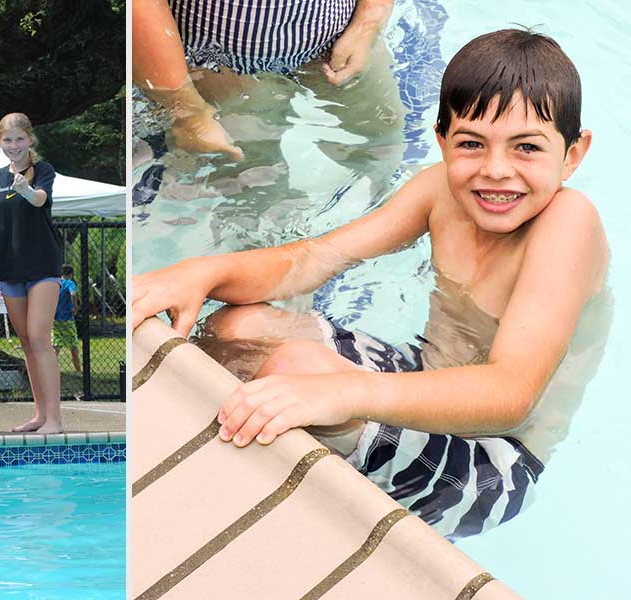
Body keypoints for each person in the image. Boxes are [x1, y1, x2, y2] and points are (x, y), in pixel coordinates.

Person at [130, 29, 606, 540]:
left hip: (494, 462)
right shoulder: (439, 191)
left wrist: (342, 394)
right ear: (442, 140)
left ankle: (285, 514)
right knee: (238, 326)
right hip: (421, 378)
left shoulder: (567, 223)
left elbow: (511, 394)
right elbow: (314, 258)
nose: (495, 171)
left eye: (527, 148)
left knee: (300, 371)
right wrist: (202, 273)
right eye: (471, 143)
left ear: (573, 154)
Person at [132, 0, 394, 161]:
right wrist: (185, 110)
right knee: (256, 173)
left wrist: (370, 18)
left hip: (339, 37)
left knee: (383, 138)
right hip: (218, 59)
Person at [0, 114, 67, 434]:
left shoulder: (42, 170)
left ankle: (55, 420)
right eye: (8, 140)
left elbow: (40, 200)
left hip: (43, 265)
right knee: (26, 342)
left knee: (38, 337)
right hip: (10, 268)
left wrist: (25, 189)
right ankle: (40, 414)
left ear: (30, 139)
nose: (14, 146)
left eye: (20, 139)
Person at [54, 265, 82, 371]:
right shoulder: (70, 283)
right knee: (73, 344)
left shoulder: (56, 283)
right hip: (67, 318)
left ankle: (50, 368)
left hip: (55, 318)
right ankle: (78, 369)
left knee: (56, 343)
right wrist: (75, 307)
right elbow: (73, 293)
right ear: (71, 275)